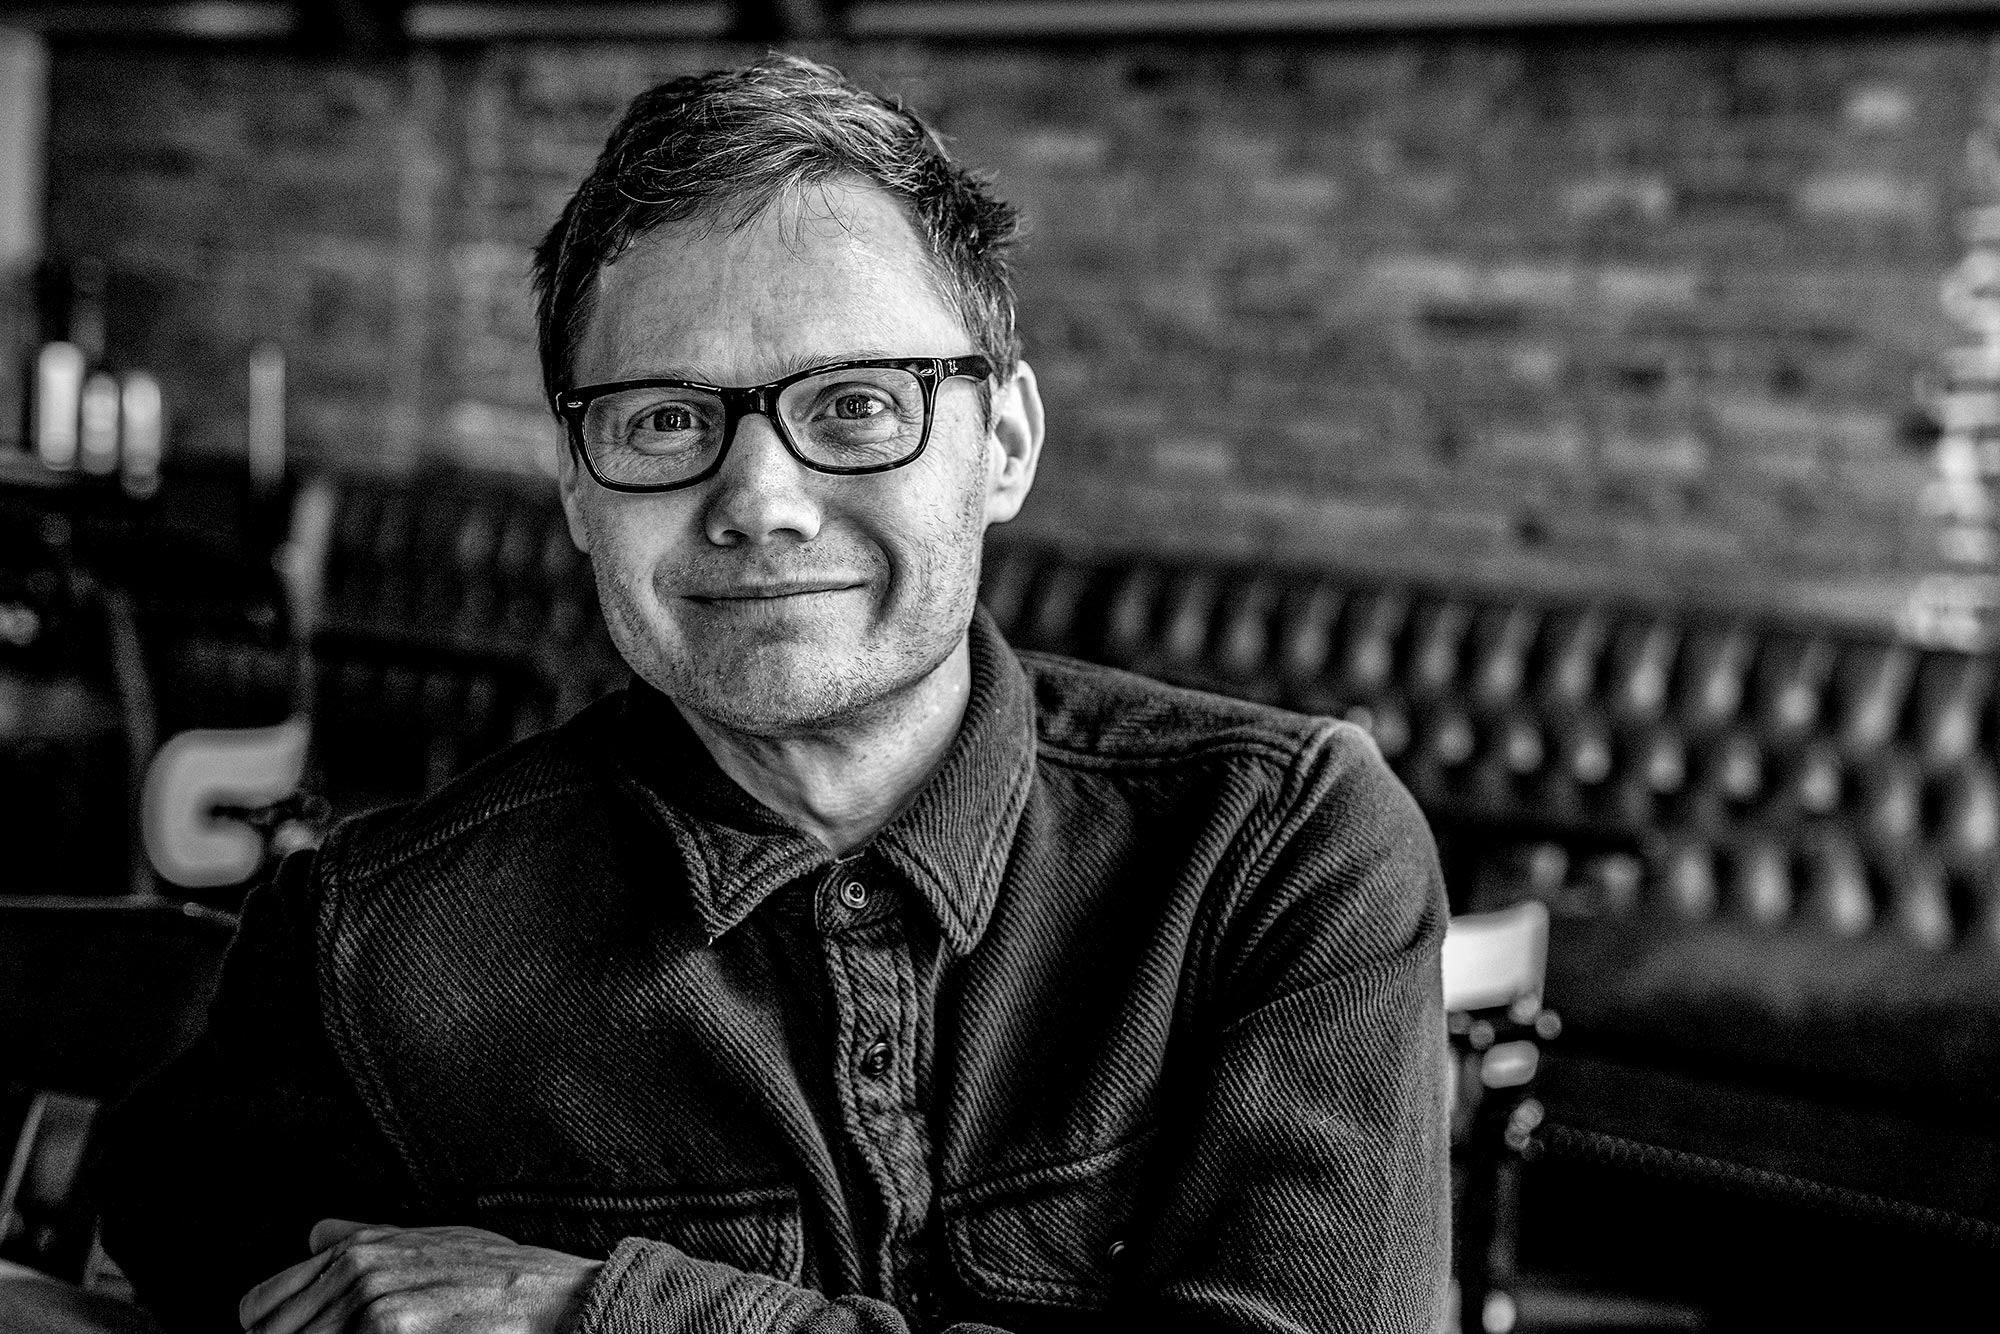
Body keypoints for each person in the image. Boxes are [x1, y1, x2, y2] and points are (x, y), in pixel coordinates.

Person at [91, 53, 1448, 1334]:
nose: (760, 502)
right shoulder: (372, 940)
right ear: (576, 490)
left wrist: (597, 1311)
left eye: (856, 404)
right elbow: (180, 1233)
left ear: (1005, 444)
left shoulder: (1275, 851)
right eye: (664, 419)